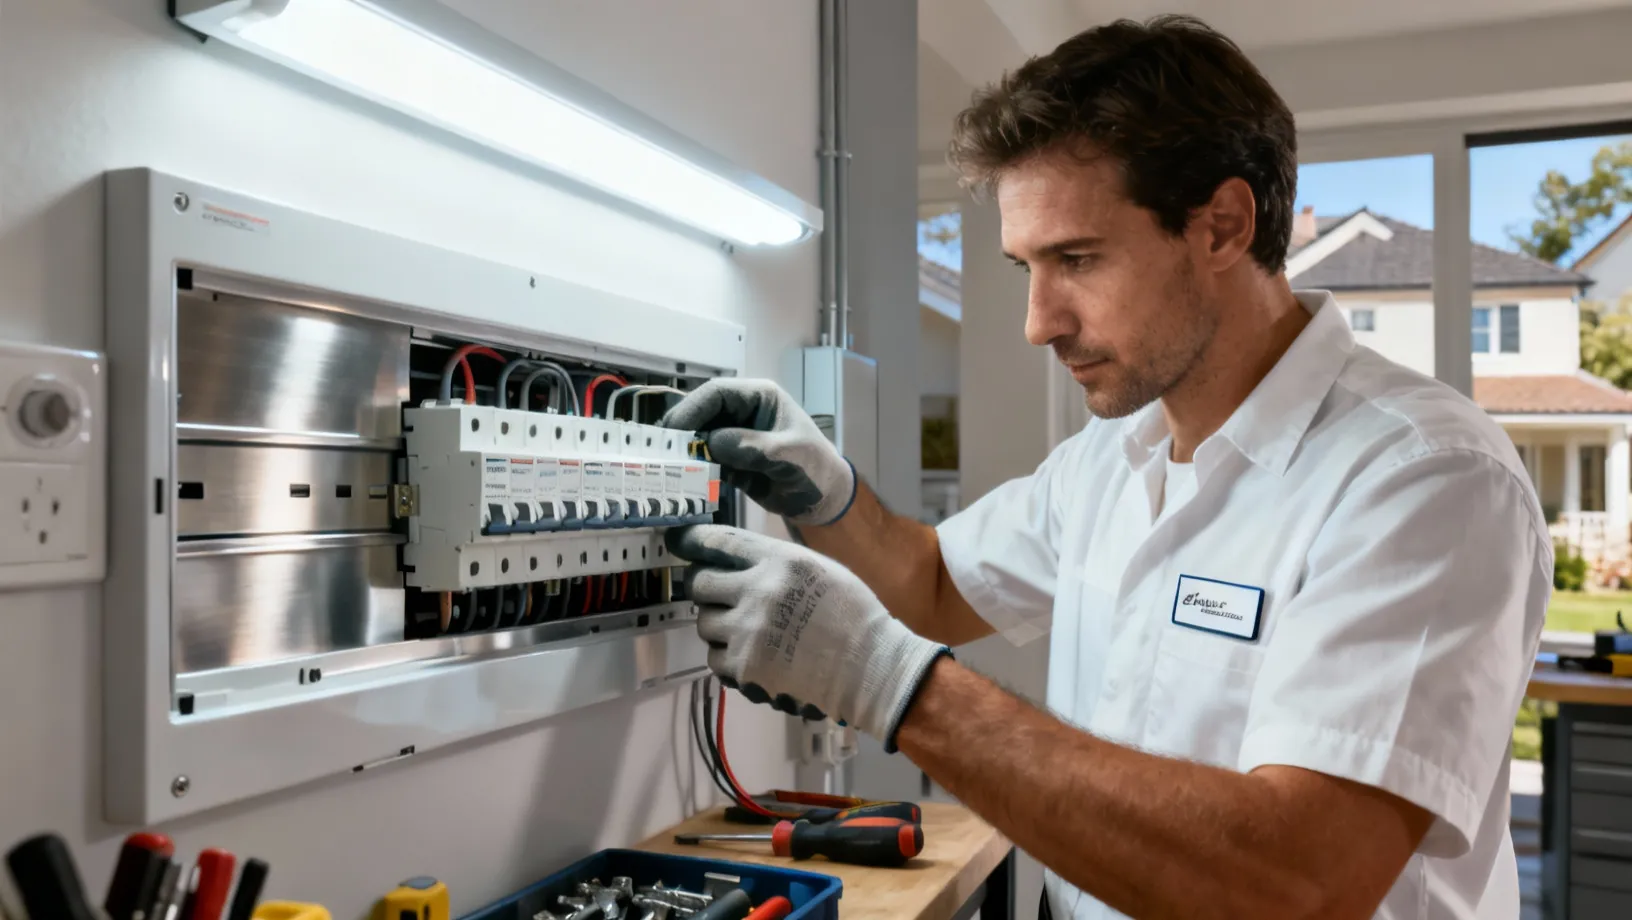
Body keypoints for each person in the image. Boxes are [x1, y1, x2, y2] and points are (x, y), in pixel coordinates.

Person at [660, 15, 1548, 920]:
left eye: (1077, 259)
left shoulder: (1425, 479)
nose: (1039, 321)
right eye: (1026, 268)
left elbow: (1300, 881)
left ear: (1224, 226)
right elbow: (930, 583)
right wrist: (832, 494)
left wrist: (892, 684)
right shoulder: (1109, 459)